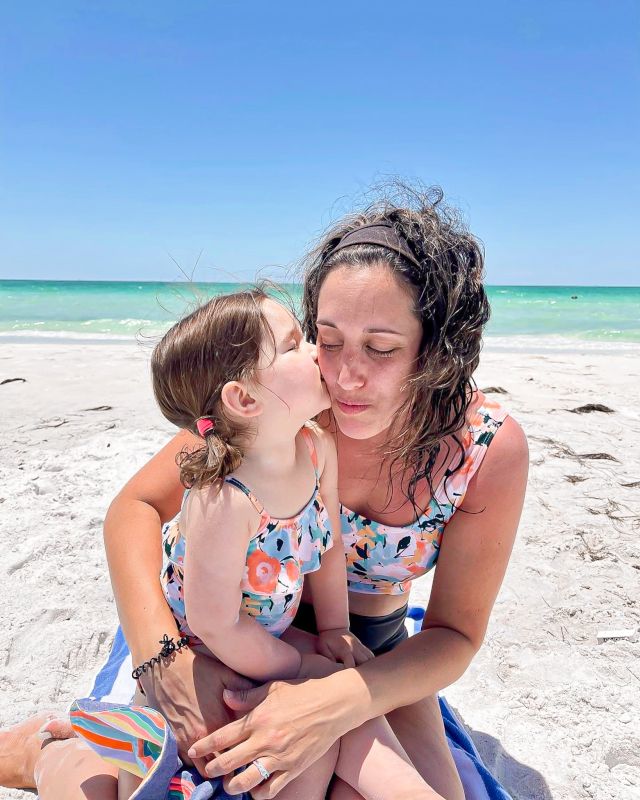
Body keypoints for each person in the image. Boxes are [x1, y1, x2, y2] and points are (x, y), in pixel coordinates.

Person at [0, 184, 528, 800]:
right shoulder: (279, 419)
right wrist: (163, 659)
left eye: (382, 348)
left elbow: (455, 636)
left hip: (366, 650)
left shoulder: (483, 449)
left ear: (437, 351)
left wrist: (326, 701)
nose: (345, 375)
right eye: (325, 340)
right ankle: (46, 751)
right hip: (220, 624)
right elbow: (134, 508)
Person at [74, 289, 439, 800]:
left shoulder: (315, 447)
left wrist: (333, 629)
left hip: (270, 636)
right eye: (294, 344)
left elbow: (328, 545)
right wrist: (300, 665)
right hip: (204, 651)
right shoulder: (224, 499)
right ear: (244, 399)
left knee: (344, 728)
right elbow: (213, 622)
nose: (317, 349)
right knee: (272, 755)